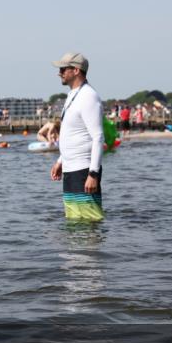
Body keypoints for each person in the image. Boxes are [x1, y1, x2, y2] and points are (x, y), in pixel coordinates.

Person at [49, 53, 104, 221]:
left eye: (63, 69)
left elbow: (98, 137)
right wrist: (60, 161)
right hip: (70, 168)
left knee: (89, 221)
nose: (59, 73)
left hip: (84, 170)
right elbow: (72, 133)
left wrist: (93, 174)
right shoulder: (72, 95)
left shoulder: (88, 96)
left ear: (76, 70)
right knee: (74, 221)